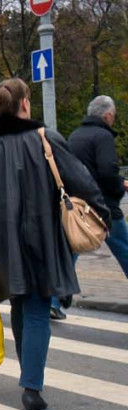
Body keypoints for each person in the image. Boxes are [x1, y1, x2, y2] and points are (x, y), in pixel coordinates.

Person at [0, 78, 109, 410]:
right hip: (43, 240)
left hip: (1, 248)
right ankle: (31, 385)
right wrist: (103, 213)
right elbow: (81, 180)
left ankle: (28, 372)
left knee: (19, 304)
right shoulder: (47, 139)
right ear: (25, 104)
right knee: (39, 310)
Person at [68, 96, 128, 280]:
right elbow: (108, 171)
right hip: (103, 205)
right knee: (124, 248)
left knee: (74, 248)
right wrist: (119, 188)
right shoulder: (103, 136)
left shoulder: (74, 136)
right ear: (108, 115)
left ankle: (54, 301)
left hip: (79, 204)